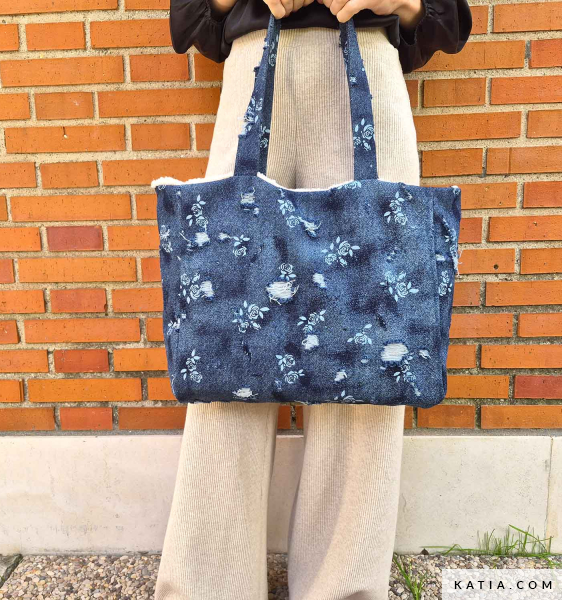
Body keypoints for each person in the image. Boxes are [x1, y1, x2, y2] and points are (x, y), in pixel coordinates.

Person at [154, 0, 471, 597]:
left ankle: (342, 588)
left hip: (369, 62)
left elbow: (445, 16)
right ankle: (208, 587)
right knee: (226, 348)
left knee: (371, 357)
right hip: (253, 64)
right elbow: (192, 15)